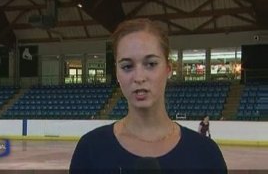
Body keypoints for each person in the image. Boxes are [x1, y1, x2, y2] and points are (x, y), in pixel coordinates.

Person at [70, 18, 227, 173]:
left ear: (168, 69)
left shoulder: (206, 154)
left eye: (151, 64)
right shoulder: (90, 150)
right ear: (117, 74)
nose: (139, 77)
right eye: (127, 66)